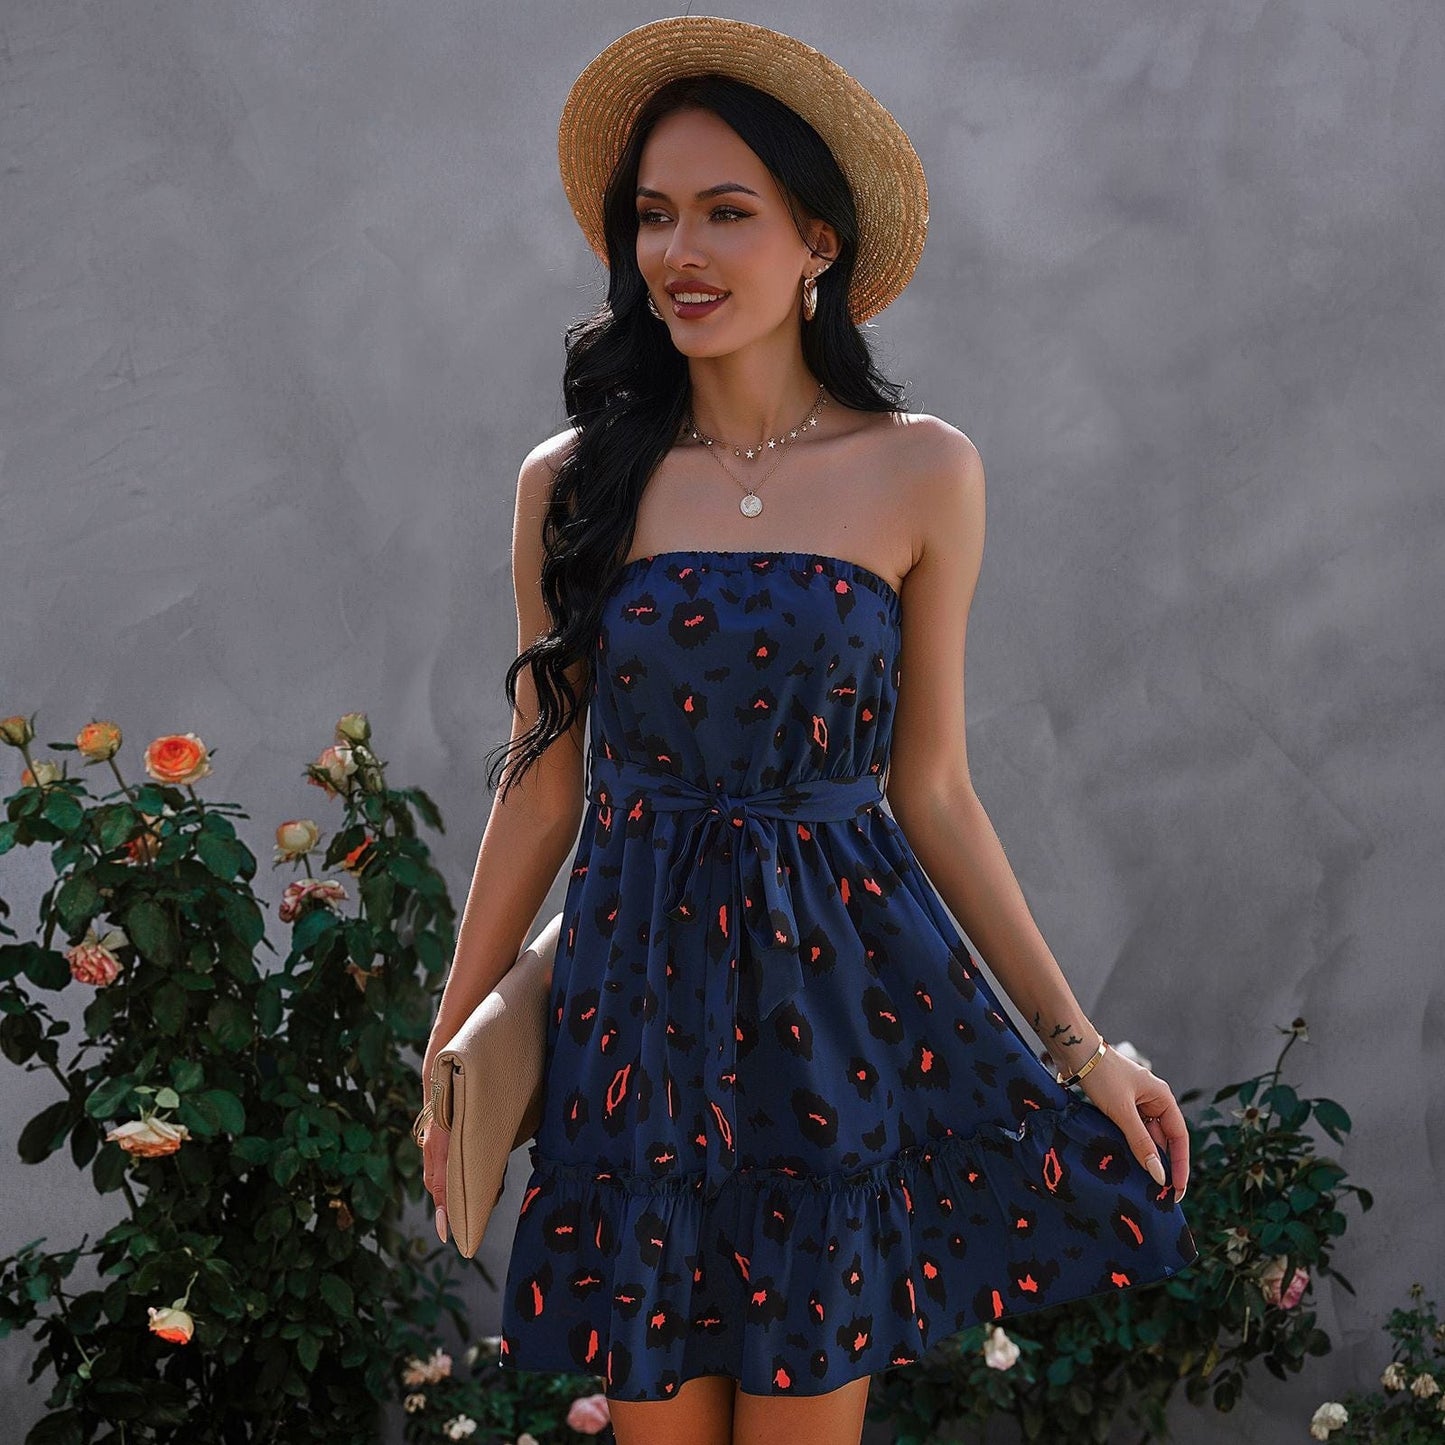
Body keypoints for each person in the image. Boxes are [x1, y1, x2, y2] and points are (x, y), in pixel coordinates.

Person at [419, 17, 1197, 1445]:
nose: (679, 251)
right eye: (653, 215)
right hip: (636, 1011)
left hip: (832, 1011)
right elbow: (542, 785)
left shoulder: (923, 470)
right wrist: (452, 1048)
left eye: (727, 211)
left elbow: (935, 788)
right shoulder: (570, 483)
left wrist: (1079, 1046)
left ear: (817, 243)